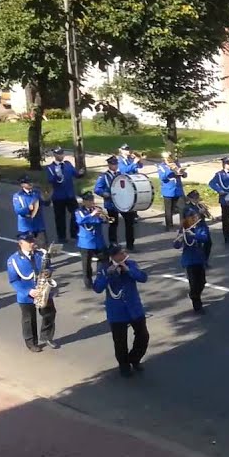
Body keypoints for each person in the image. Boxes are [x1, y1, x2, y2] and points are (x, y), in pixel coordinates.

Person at [93, 244, 149, 377]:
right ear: (114, 256)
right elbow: (97, 288)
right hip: (116, 311)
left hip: (134, 307)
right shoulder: (104, 268)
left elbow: (143, 277)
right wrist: (108, 274)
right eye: (121, 253)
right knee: (120, 341)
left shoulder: (131, 263)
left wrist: (128, 269)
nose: (124, 254)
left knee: (143, 336)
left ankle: (134, 358)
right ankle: (124, 366)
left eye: (124, 252)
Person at [6, 233, 56, 352]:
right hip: (26, 295)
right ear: (21, 243)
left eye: (32, 241)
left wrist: (48, 272)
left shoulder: (41, 254)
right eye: (29, 242)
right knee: (29, 319)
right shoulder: (13, 260)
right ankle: (31, 343)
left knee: (50, 313)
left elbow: (49, 267)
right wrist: (28, 291)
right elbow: (13, 280)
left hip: (43, 290)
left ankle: (47, 336)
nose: (33, 243)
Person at [93, 155, 136, 250]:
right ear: (109, 165)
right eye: (113, 164)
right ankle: (113, 245)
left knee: (129, 222)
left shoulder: (121, 174)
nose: (115, 166)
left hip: (123, 203)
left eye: (116, 164)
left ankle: (130, 245)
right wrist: (104, 194)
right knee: (113, 224)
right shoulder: (104, 176)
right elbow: (97, 189)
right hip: (111, 204)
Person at [173, 206, 210, 313]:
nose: (193, 218)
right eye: (190, 217)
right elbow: (176, 245)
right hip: (189, 260)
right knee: (193, 283)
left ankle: (193, 295)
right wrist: (179, 240)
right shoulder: (183, 228)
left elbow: (205, 238)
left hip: (199, 258)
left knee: (202, 282)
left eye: (194, 216)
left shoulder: (200, 226)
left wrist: (194, 235)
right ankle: (197, 304)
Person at [44, 148, 79, 244]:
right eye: (59, 154)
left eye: (62, 153)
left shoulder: (67, 164)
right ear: (55, 155)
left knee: (76, 213)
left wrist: (80, 173)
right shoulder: (50, 168)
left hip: (70, 194)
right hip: (58, 196)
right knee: (60, 217)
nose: (61, 155)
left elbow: (75, 174)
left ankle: (74, 233)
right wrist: (57, 175)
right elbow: (50, 180)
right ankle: (62, 236)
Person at [74, 191, 108, 288]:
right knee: (87, 264)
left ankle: (101, 276)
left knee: (104, 259)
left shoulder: (97, 209)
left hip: (98, 241)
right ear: (84, 202)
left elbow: (104, 221)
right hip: (86, 242)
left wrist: (103, 217)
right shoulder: (79, 211)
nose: (91, 202)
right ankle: (88, 283)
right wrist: (92, 215)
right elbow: (80, 221)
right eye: (89, 200)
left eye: (92, 200)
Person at [157, 151, 187, 229]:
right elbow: (162, 177)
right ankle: (169, 226)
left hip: (178, 189)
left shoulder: (176, 163)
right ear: (164, 158)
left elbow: (183, 175)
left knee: (182, 208)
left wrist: (183, 173)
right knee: (169, 210)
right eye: (168, 157)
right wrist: (171, 169)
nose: (170, 158)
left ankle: (183, 225)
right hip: (168, 190)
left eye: (170, 157)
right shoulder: (161, 166)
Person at [182, 190, 213, 263]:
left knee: (208, 243)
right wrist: (198, 213)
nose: (197, 199)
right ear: (190, 198)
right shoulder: (187, 207)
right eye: (195, 198)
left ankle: (205, 259)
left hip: (203, 227)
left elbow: (208, 216)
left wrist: (206, 212)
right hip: (194, 228)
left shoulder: (200, 205)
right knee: (197, 246)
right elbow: (188, 221)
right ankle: (200, 261)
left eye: (197, 198)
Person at [12, 176, 47, 241]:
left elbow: (45, 203)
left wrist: (47, 197)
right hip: (26, 227)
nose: (31, 183)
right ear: (22, 184)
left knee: (43, 246)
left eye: (31, 182)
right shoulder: (18, 196)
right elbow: (18, 210)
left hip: (39, 225)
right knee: (29, 247)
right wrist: (28, 208)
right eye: (28, 182)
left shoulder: (37, 193)